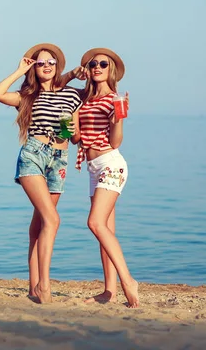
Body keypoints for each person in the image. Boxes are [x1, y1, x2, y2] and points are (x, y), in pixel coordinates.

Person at [0, 43, 83, 303]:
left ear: (57, 66)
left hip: (60, 159)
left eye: (51, 62)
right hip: (33, 155)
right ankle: (44, 286)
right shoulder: (27, 95)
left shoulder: (73, 96)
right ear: (34, 66)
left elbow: (73, 138)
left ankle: (33, 287)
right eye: (40, 62)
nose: (46, 66)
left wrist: (72, 128)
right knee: (53, 221)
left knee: (40, 225)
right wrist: (20, 70)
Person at [70, 48, 140, 308]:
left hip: (111, 164)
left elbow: (115, 141)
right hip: (93, 167)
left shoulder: (114, 99)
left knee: (95, 223)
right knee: (105, 231)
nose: (97, 67)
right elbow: (77, 139)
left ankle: (128, 281)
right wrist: (70, 124)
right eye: (92, 64)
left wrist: (119, 119)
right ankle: (109, 291)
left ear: (111, 70)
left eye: (102, 63)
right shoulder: (82, 99)